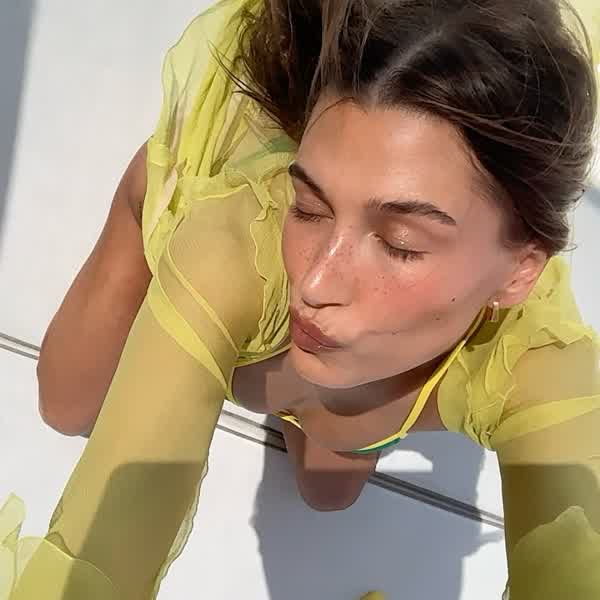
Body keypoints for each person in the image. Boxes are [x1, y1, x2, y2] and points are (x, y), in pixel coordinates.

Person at [2, 0, 599, 598]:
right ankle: (149, 195)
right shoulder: (232, 251)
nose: (314, 284)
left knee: (328, 492)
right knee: (67, 402)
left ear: (520, 271)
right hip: (213, 238)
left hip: (344, 358)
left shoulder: (538, 361)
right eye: (309, 207)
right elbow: (103, 547)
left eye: (399, 243)